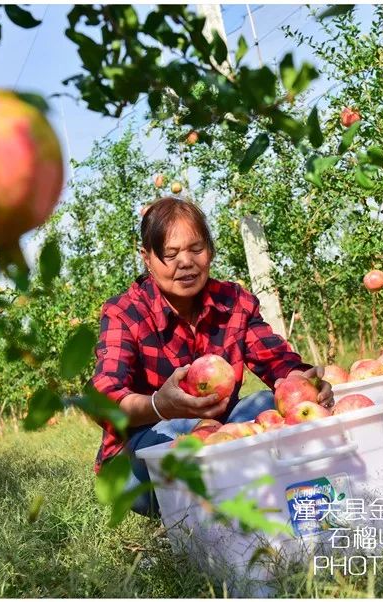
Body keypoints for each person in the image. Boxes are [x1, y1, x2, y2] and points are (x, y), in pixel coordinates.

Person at [90, 196, 333, 517]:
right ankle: (195, 513)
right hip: (142, 461)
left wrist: (305, 385)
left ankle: (244, 503)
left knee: (265, 404)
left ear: (211, 249)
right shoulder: (126, 313)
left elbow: (278, 363)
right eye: (171, 254)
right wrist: (158, 406)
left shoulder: (233, 302)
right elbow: (103, 398)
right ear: (147, 258)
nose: (186, 262)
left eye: (196, 249)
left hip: (217, 437)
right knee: (176, 430)